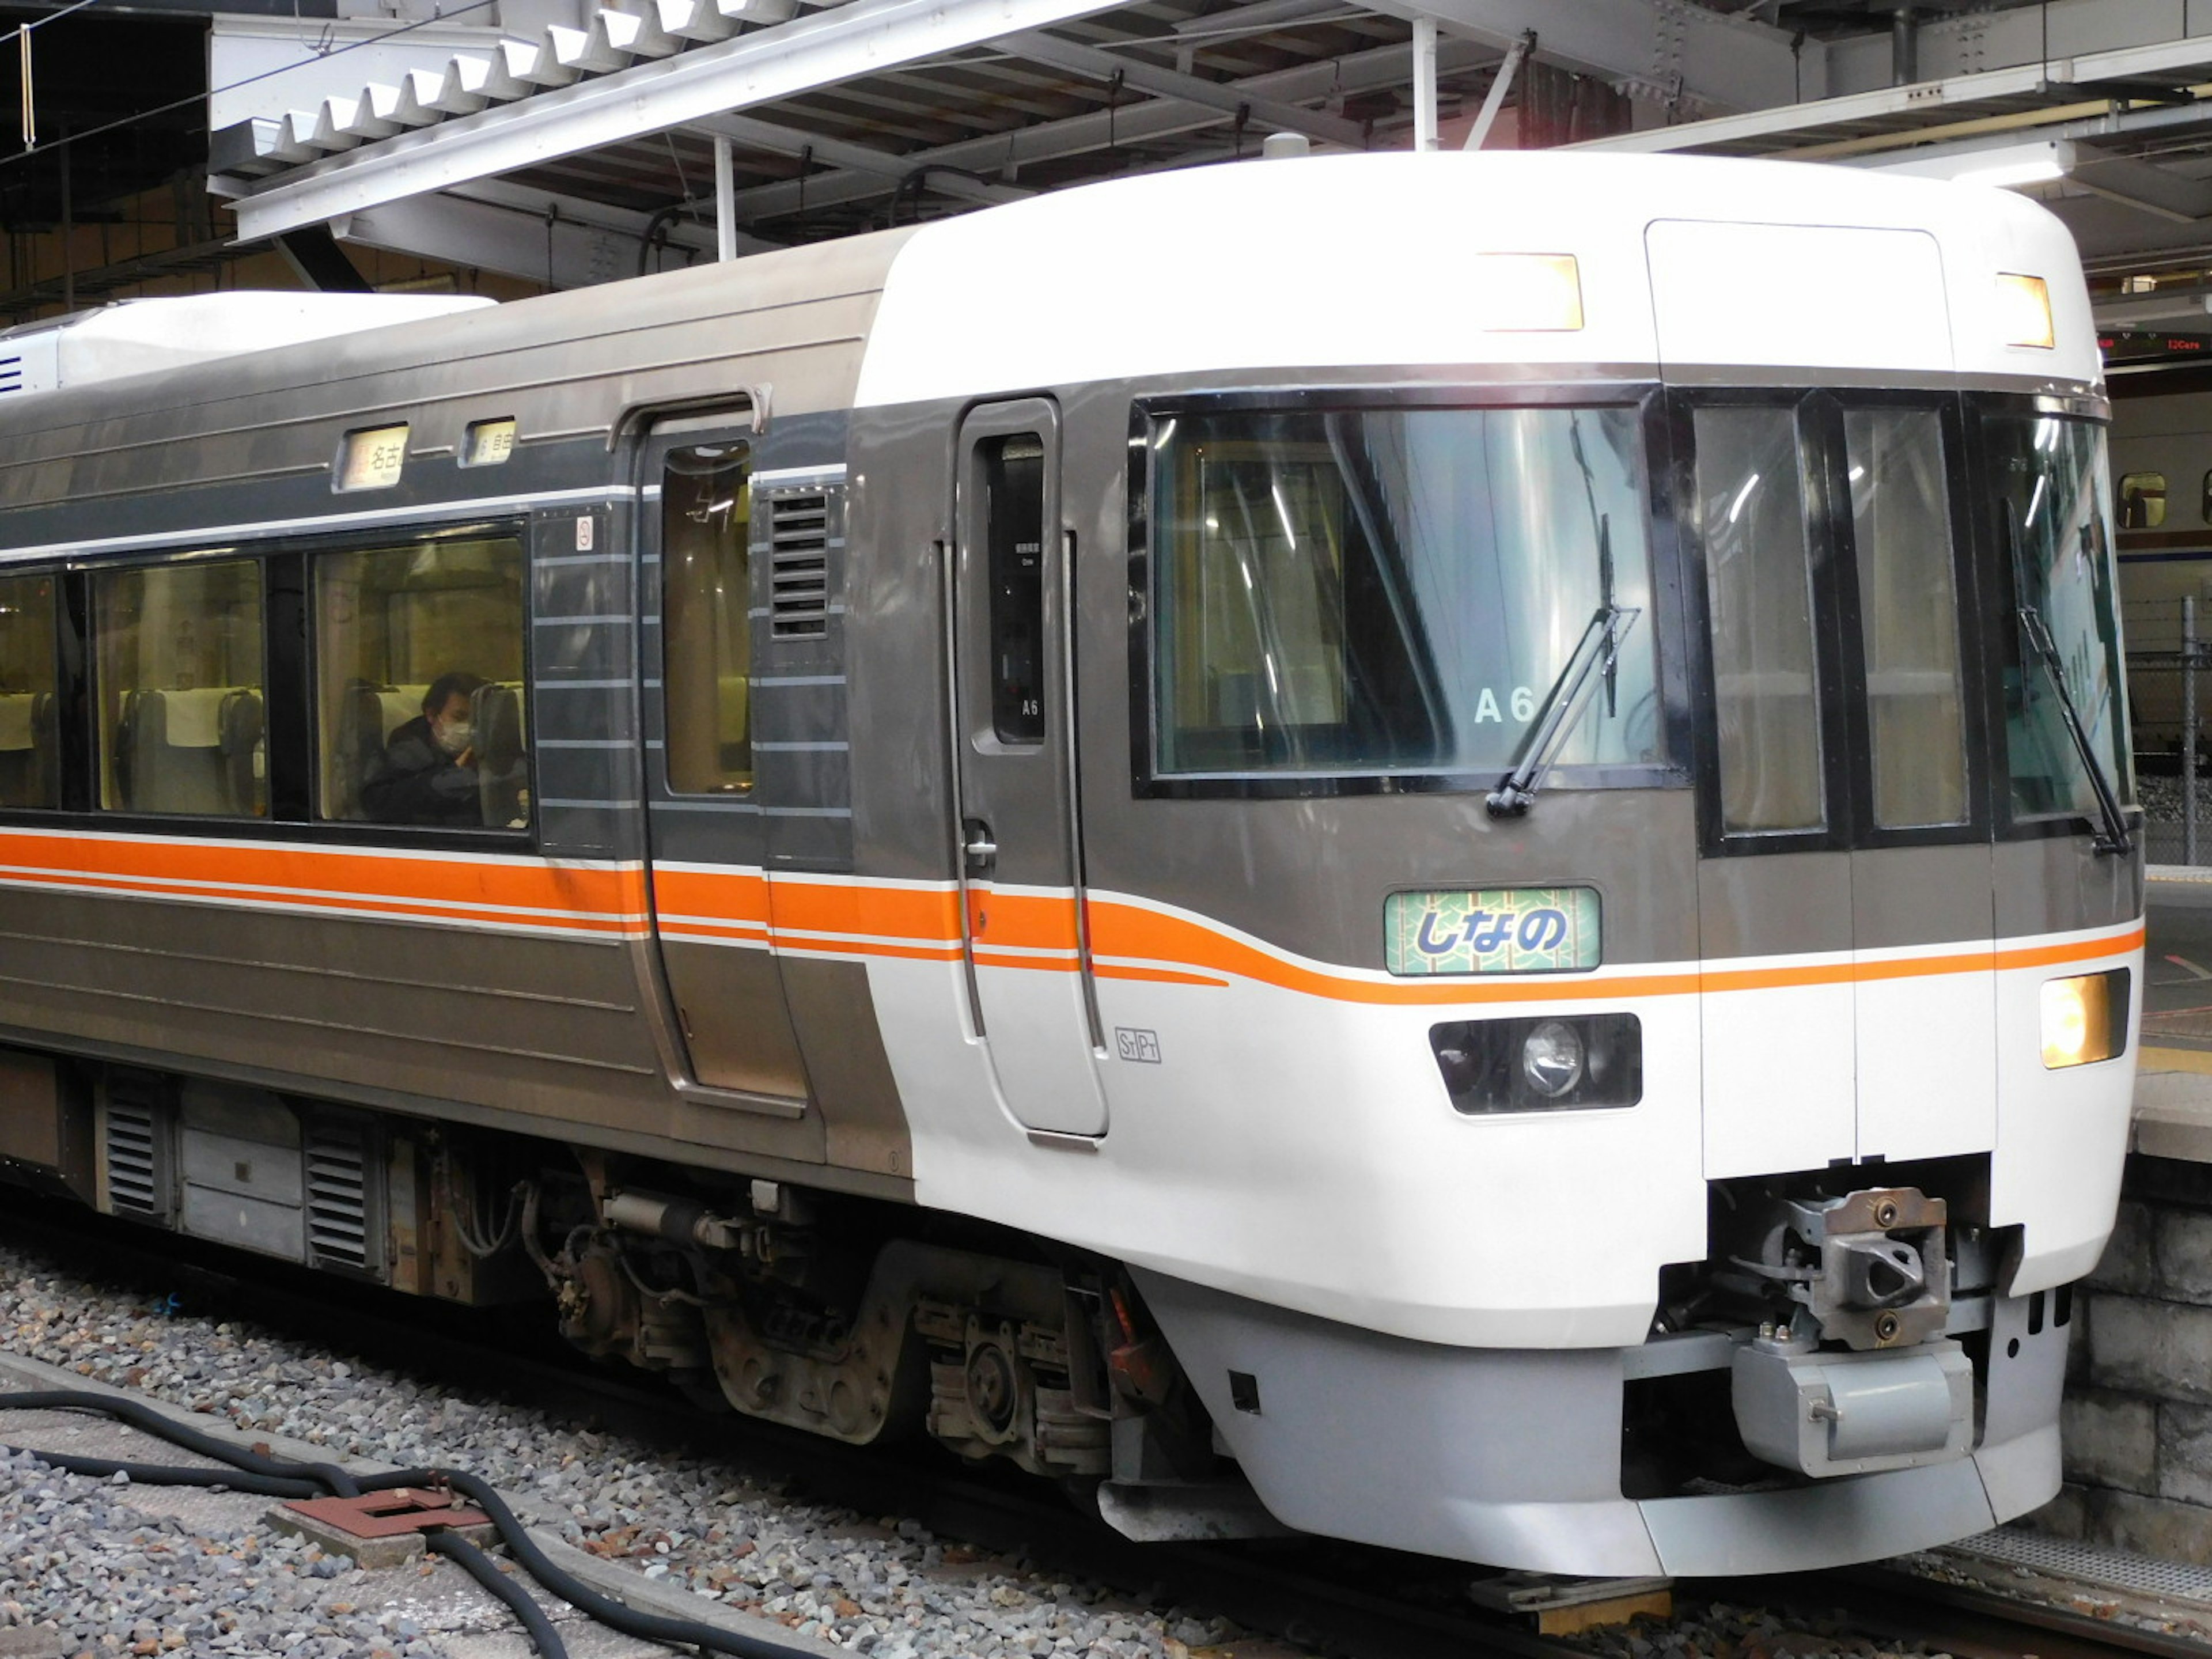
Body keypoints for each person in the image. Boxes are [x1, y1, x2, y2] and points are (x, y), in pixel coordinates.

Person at [362, 671, 487, 826]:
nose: (469, 728)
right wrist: (455, 774)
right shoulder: (407, 754)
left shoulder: (491, 748)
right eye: (459, 717)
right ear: (432, 715)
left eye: (475, 719)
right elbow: (379, 804)